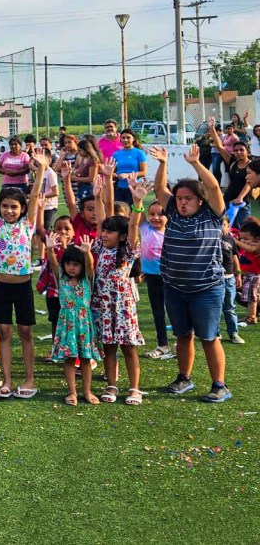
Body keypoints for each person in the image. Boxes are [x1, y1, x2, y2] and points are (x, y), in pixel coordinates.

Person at [150, 144, 232, 402]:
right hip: (174, 288)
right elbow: (158, 190)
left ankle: (219, 384)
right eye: (179, 198)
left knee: (209, 337)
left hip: (206, 288)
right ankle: (184, 378)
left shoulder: (212, 216)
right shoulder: (172, 214)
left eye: (187, 199)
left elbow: (214, 188)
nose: (182, 202)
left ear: (199, 200)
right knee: (183, 335)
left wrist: (196, 164)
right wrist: (163, 164)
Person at [0, 143, 48, 399]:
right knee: (4, 331)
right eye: (5, 206)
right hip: (0, 286)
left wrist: (41, 171)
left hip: (22, 286)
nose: (8, 211)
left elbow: (36, 195)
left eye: (13, 207)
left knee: (26, 331)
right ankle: (6, 380)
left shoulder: (27, 223)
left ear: (21, 209)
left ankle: (29, 379)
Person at [92, 161, 147, 405]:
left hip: (123, 304)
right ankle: (112, 384)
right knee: (109, 346)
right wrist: (100, 191)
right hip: (103, 304)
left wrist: (136, 203)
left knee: (129, 347)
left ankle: (134, 388)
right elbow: (103, 216)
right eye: (104, 231)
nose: (104, 234)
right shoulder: (100, 248)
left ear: (122, 236)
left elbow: (133, 225)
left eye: (110, 232)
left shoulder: (127, 251)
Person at [44, 234, 99, 406]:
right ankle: (72, 392)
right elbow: (53, 264)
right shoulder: (62, 279)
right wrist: (49, 249)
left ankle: (87, 391)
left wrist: (87, 253)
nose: (71, 268)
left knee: (85, 358)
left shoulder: (87, 280)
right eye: (68, 264)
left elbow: (90, 265)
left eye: (76, 264)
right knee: (69, 359)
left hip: (84, 323)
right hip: (67, 324)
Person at [141, 201, 172, 359]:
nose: (155, 217)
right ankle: (163, 345)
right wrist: (137, 198)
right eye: (152, 214)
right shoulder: (145, 228)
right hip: (152, 278)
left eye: (160, 214)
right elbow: (137, 211)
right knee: (158, 312)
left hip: (170, 278)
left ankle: (183, 342)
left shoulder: (171, 232)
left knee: (174, 311)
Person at [110, 129, 148, 206]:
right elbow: (112, 172)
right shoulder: (116, 154)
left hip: (134, 188)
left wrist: (127, 175)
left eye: (128, 137)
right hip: (119, 188)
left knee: (133, 211)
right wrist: (117, 175)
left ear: (133, 139)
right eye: (123, 138)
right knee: (120, 212)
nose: (125, 140)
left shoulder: (139, 153)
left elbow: (144, 172)